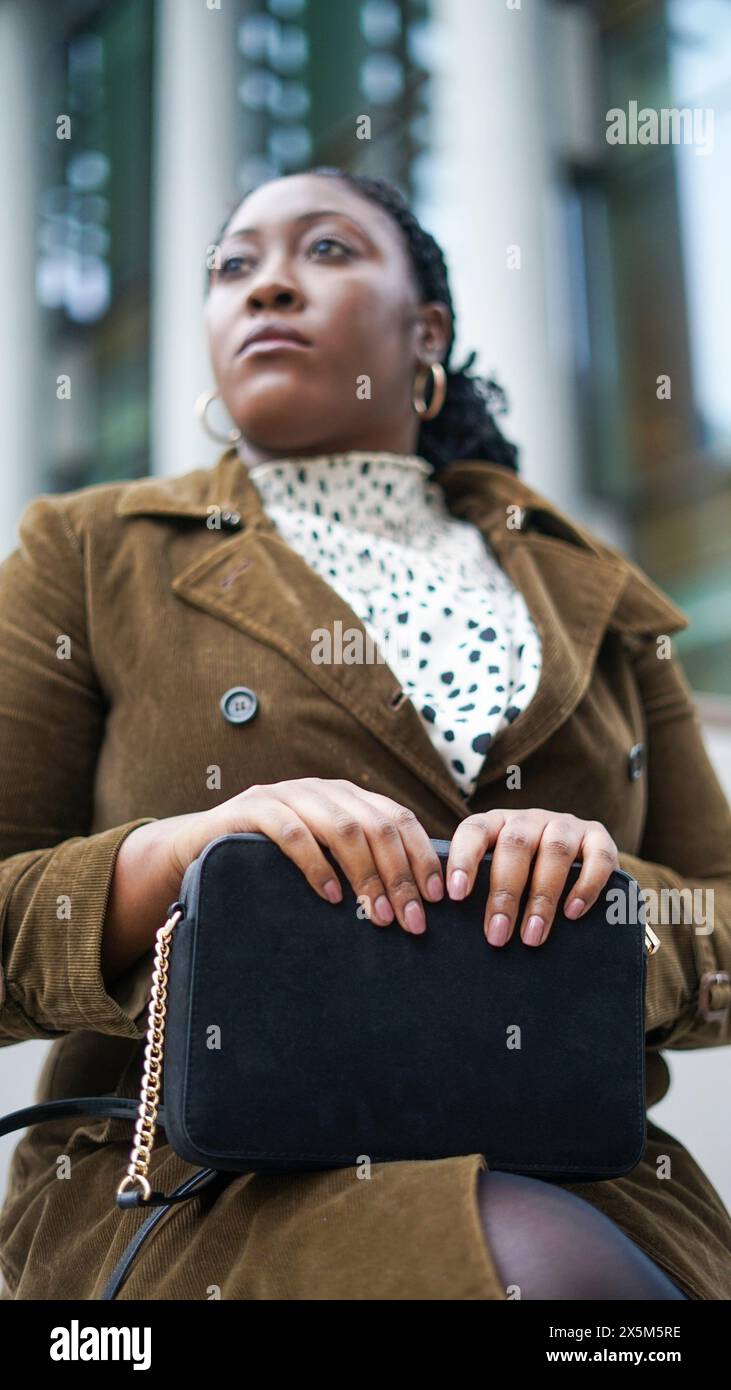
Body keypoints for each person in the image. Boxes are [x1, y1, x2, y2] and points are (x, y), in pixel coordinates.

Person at [0, 167, 729, 1301]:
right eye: (232, 267)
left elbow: (718, 900)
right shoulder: (90, 553)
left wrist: (601, 899)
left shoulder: (596, 587)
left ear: (423, 329)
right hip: (197, 1179)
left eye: (326, 250)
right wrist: (189, 854)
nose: (266, 286)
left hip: (589, 1167)